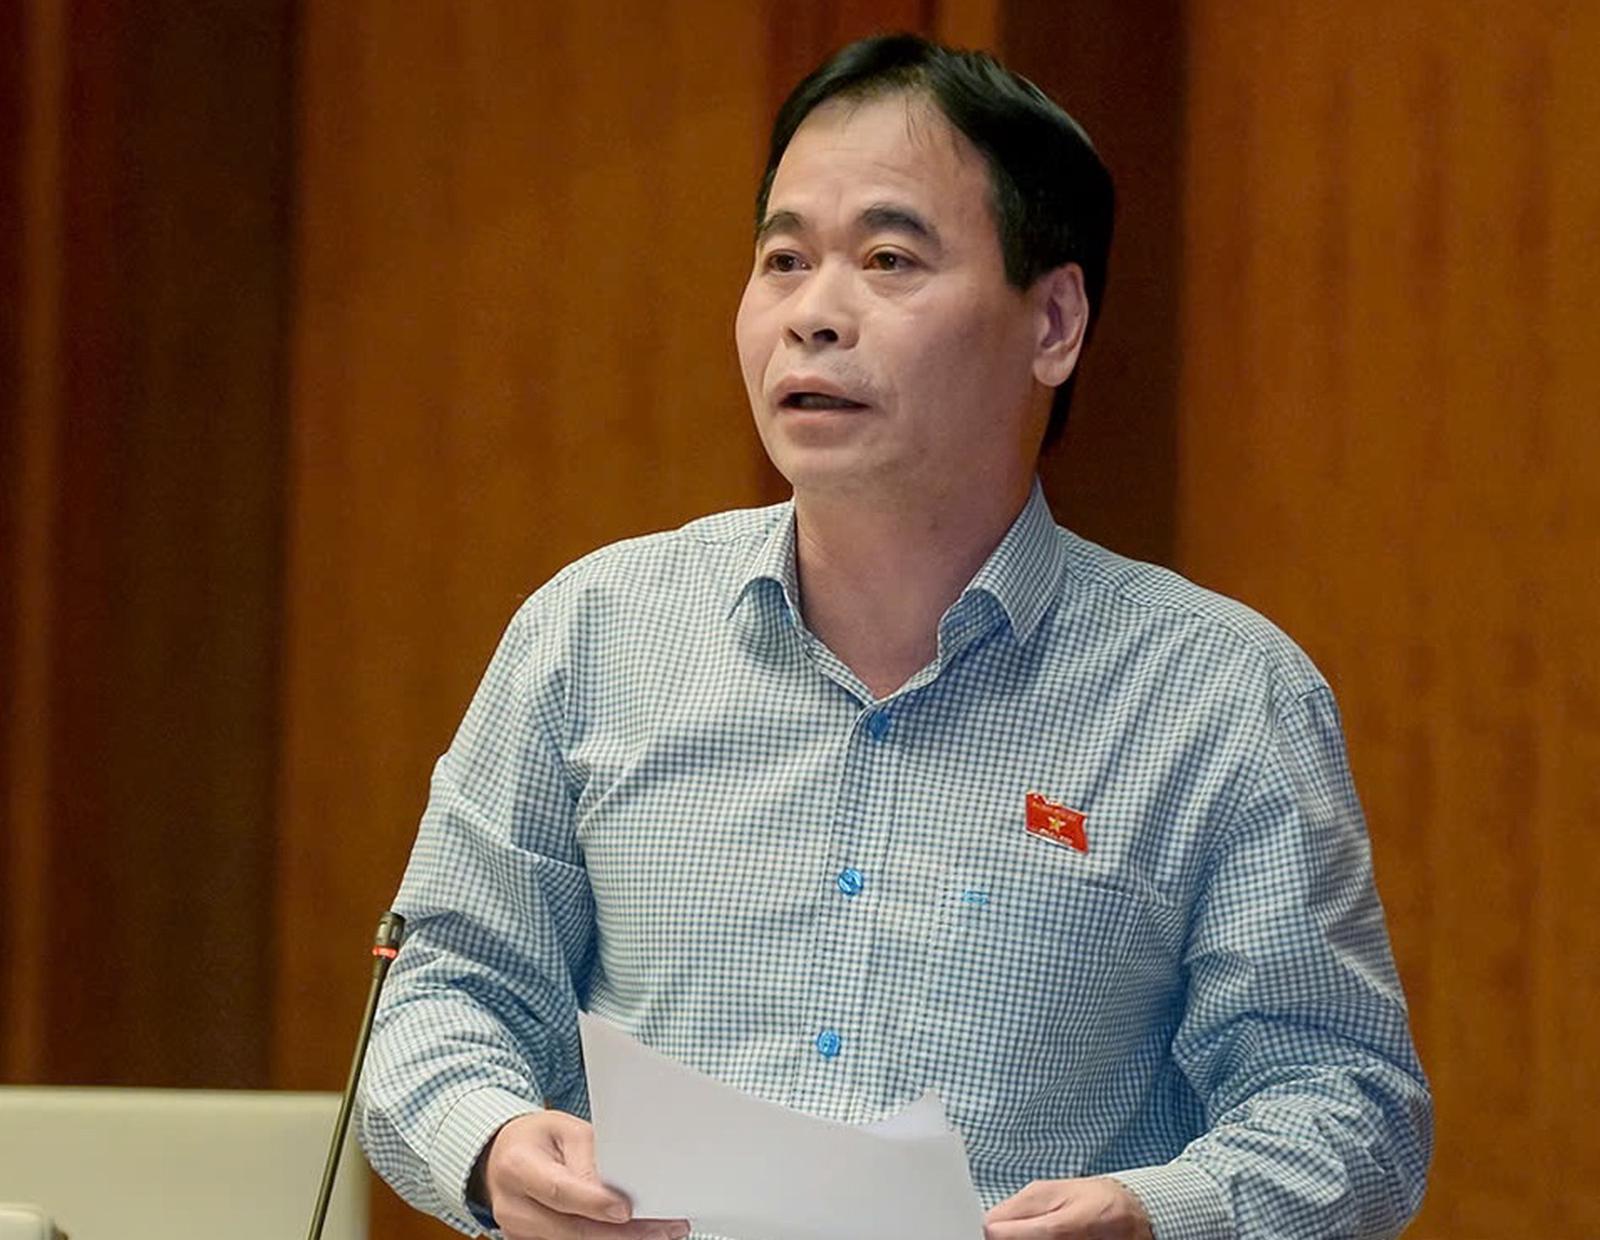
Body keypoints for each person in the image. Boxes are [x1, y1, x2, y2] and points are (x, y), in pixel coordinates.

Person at [359, 34, 1432, 1240]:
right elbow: (442, 994)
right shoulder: (593, 635)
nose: (812, 316)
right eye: (782, 260)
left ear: (1053, 322)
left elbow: (1346, 1105)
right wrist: (494, 1142)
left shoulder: (1217, 695)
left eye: (887, 259)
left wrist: (1153, 1215)